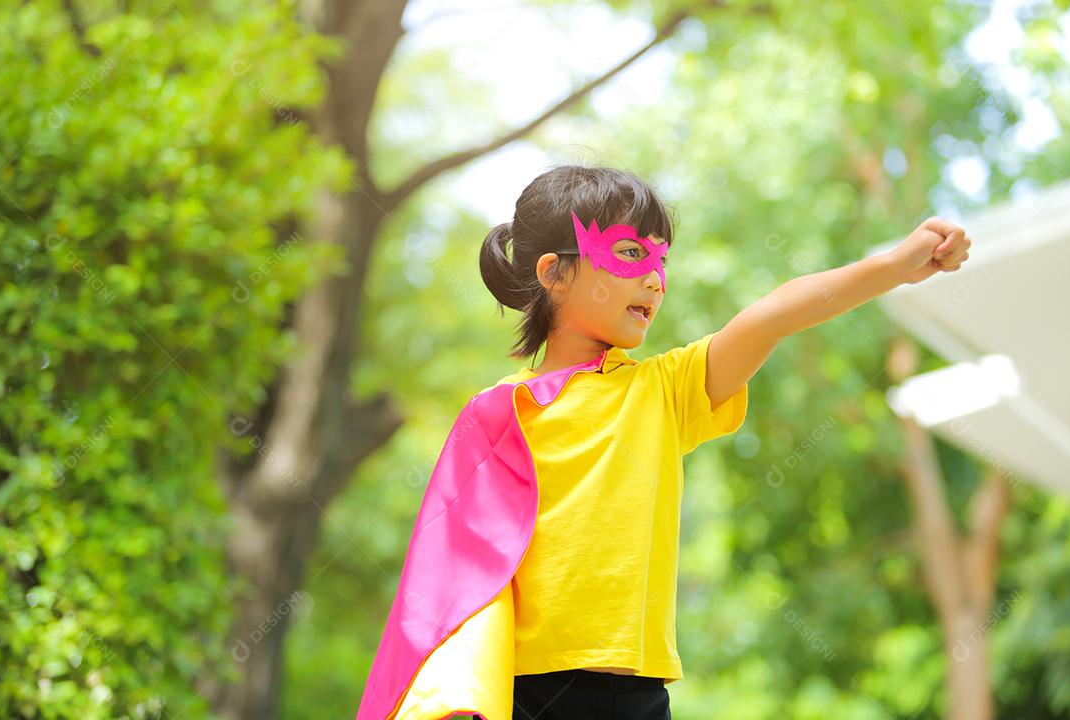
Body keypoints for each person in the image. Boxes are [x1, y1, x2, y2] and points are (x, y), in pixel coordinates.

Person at [355, 165, 970, 720]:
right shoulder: (497, 413)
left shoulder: (664, 390)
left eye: (661, 261)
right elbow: (447, 581)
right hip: (529, 693)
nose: (654, 278)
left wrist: (892, 268)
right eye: (629, 253)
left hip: (643, 695)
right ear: (555, 274)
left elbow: (774, 314)